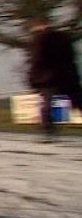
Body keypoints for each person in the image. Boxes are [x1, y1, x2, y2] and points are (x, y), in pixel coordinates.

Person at [26, 14, 82, 142]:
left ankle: (49, 132)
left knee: (47, 105)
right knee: (78, 101)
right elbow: (72, 58)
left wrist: (32, 78)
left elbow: (36, 60)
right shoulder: (64, 37)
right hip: (67, 76)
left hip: (48, 77)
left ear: (36, 27)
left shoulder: (39, 39)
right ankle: (49, 132)